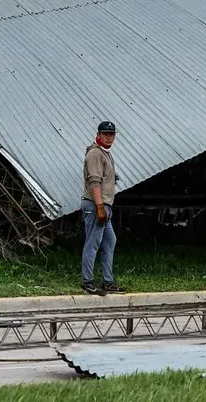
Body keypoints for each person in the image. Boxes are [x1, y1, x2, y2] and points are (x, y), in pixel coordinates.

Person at [81, 120, 124, 295]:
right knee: (93, 243)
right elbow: (94, 181)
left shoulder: (105, 153)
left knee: (109, 241)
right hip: (95, 205)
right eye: (105, 134)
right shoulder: (95, 154)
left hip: (105, 206)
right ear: (98, 135)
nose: (108, 137)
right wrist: (99, 207)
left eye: (111, 134)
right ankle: (87, 282)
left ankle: (108, 282)